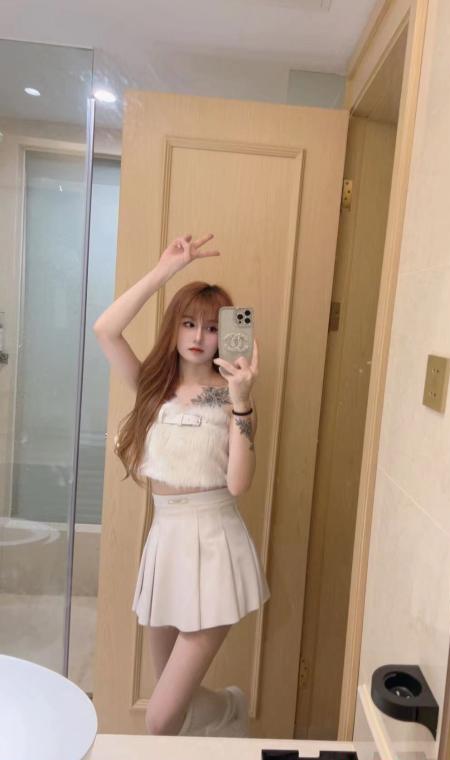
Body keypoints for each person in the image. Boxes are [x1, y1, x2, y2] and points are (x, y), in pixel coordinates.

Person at [93, 233, 270, 737]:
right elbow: (105, 329)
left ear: (226, 336)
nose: (199, 336)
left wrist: (242, 400)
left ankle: (230, 709)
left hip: (215, 545)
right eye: (188, 323)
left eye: (213, 328)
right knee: (176, 705)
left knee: (160, 717)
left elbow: (238, 484)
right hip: (166, 543)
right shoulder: (154, 386)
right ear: (174, 327)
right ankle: (230, 710)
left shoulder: (231, 398)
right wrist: (163, 271)